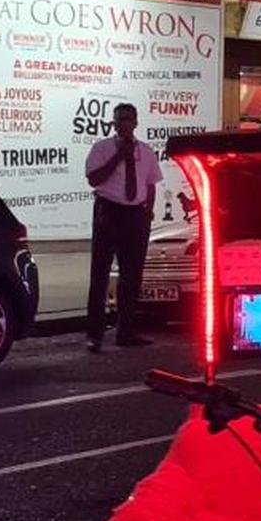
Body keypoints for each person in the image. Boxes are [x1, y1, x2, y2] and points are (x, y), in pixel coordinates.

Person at [84, 103, 163, 350]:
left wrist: (148, 212)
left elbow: (150, 184)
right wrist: (120, 155)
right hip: (109, 211)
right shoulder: (102, 148)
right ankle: (95, 335)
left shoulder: (147, 152)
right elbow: (93, 179)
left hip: (135, 216)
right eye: (119, 120)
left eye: (128, 119)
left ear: (136, 122)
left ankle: (126, 332)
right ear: (114, 123)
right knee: (100, 274)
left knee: (131, 277)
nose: (124, 124)